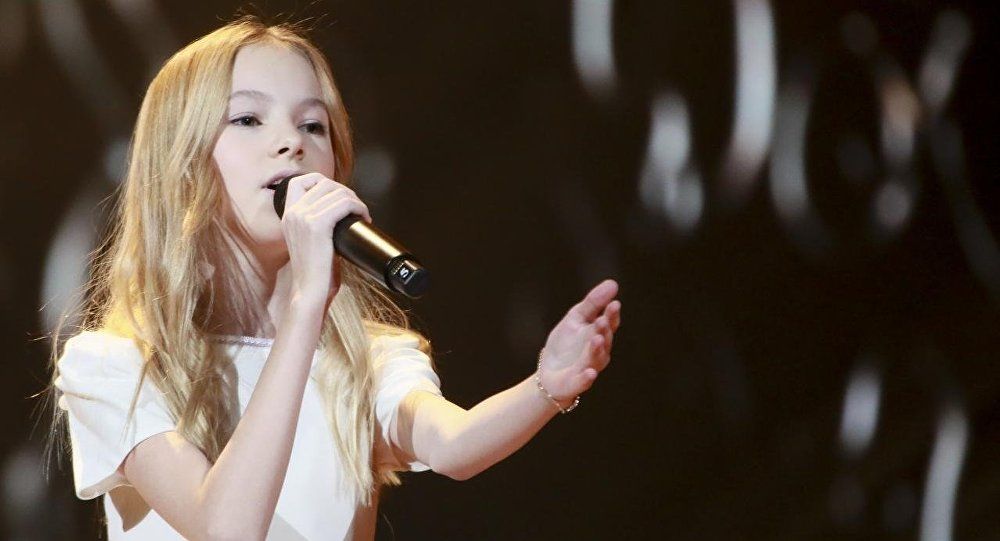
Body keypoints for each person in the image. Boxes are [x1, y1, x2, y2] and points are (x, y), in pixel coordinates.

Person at [49, 16, 622, 541]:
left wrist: (546, 387)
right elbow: (227, 530)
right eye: (248, 119)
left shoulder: (366, 361)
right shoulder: (115, 365)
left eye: (313, 125)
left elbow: (454, 446)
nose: (292, 143)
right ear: (180, 165)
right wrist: (305, 309)